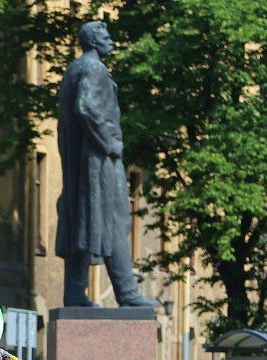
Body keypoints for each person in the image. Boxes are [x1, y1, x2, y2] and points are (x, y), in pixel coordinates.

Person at [55, 21, 154, 308]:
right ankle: (127, 292)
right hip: (98, 159)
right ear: (95, 41)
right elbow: (86, 108)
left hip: (81, 161)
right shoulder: (93, 68)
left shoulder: (75, 68)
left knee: (80, 223)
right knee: (116, 219)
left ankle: (74, 293)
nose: (111, 42)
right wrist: (109, 143)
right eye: (106, 37)